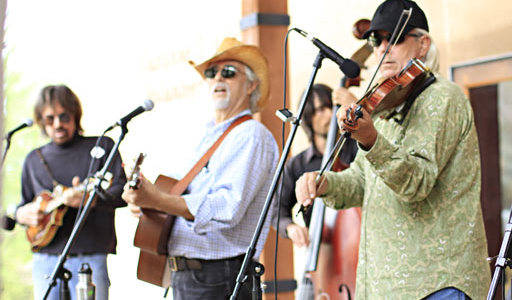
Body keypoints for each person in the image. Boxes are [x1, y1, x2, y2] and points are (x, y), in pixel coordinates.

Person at [295, 0, 491, 299]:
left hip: (436, 283)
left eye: (395, 38)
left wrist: (371, 139)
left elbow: (417, 181)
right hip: (383, 285)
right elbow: (362, 182)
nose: (383, 48)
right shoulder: (382, 108)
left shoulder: (442, 98)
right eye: (376, 39)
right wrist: (323, 183)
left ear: (423, 44)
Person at [122, 37, 279, 300]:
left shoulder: (251, 135)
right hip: (193, 275)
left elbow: (227, 207)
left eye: (228, 72)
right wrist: (146, 202)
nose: (218, 78)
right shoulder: (205, 135)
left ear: (251, 85)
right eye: (211, 72)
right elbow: (174, 194)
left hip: (220, 276)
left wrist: (158, 200)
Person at [15, 85, 127, 300]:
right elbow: (21, 207)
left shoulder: (102, 146)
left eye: (64, 116)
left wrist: (89, 200)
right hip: (45, 259)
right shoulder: (33, 159)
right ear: (41, 120)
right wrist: (23, 214)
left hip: (90, 258)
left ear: (75, 115)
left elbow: (121, 191)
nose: (57, 124)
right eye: (50, 119)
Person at [272, 83, 358, 247]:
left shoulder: (356, 148)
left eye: (332, 107)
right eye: (321, 109)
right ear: (308, 118)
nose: (330, 114)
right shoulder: (297, 165)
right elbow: (277, 212)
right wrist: (290, 228)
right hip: (321, 249)